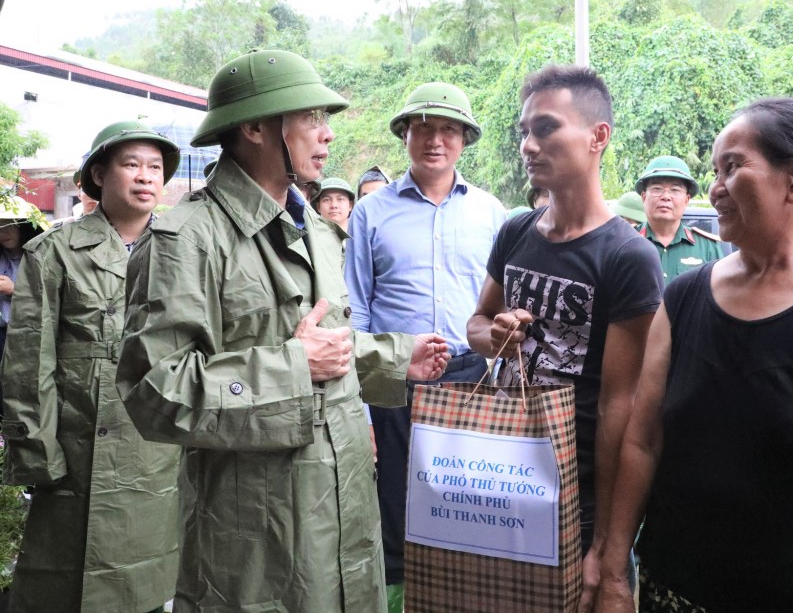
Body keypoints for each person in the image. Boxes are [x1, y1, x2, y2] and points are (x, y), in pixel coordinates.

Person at [115, 50, 450, 613]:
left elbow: (319, 344)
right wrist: (293, 366)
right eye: (312, 119)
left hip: (342, 511)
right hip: (258, 533)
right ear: (254, 128)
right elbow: (155, 390)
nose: (326, 136)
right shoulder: (187, 239)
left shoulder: (318, 230)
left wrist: (392, 358)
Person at [590, 97, 793, 613]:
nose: (715, 188)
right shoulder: (683, 300)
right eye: (715, 170)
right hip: (671, 593)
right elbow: (644, 440)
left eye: (733, 167)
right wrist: (613, 575)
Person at [466, 64, 664, 595]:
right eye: (524, 131)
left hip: (575, 493)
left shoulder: (628, 257)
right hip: (501, 469)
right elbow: (477, 326)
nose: (529, 144)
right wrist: (497, 337)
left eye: (547, 128)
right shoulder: (516, 231)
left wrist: (605, 545)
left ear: (598, 137)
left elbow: (620, 405)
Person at [0, 121, 182, 613]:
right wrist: (39, 452)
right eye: (131, 165)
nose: (146, 177)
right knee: (65, 581)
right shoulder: (54, 252)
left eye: (155, 167)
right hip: (80, 448)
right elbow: (27, 360)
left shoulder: (181, 249)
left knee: (152, 580)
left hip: (160, 445)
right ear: (99, 175)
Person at [346, 81, 506, 613]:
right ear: (405, 136)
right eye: (423, 128)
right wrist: (365, 401)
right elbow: (359, 307)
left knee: (467, 499)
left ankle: (463, 596)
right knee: (396, 496)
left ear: (464, 139)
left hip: (470, 375)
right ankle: (398, 599)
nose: (435, 140)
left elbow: (501, 302)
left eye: (448, 129)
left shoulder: (491, 212)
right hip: (396, 378)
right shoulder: (371, 213)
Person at [636, 155, 723, 281]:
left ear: (686, 200)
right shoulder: (625, 242)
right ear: (644, 197)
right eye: (657, 189)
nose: (666, 196)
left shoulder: (708, 247)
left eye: (675, 190)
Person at [0, 197, 47, 409]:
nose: (4, 232)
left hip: (26, 333)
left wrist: (14, 290)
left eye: (10, 225)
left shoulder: (39, 256)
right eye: (0, 226)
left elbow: (49, 295)